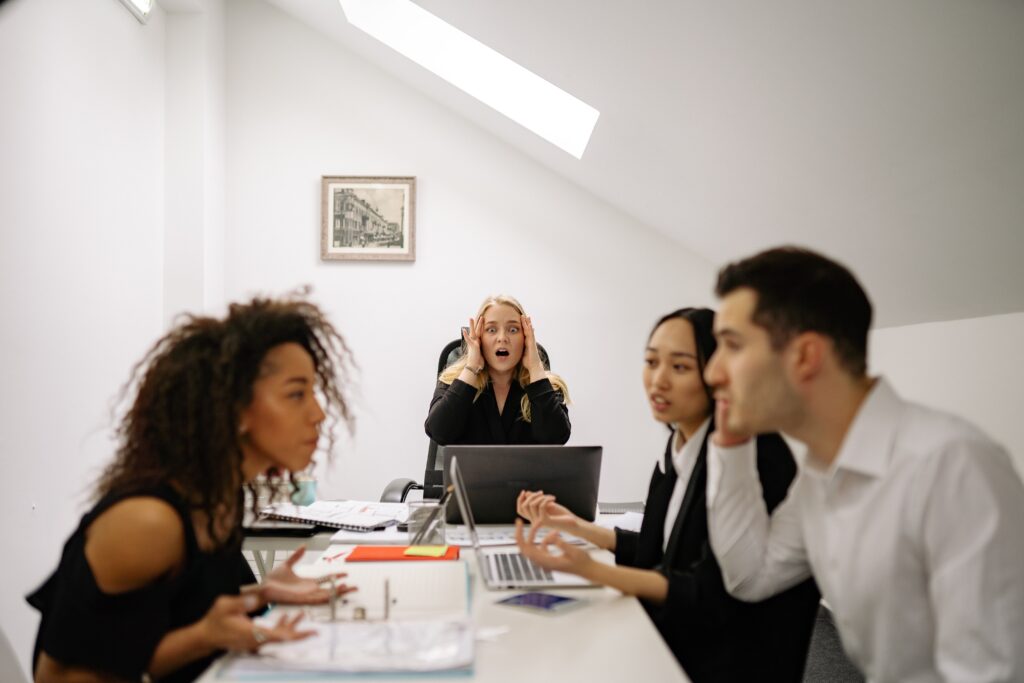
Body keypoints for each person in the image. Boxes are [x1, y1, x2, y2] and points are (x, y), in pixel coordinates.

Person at [702, 246, 1024, 681]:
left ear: (804, 356)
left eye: (731, 346)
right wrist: (732, 445)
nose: (713, 373)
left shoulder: (950, 466)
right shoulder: (819, 474)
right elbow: (751, 577)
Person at [27, 294, 358, 683]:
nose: (318, 413)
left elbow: (159, 632)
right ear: (235, 411)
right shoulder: (149, 522)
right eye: (296, 394)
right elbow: (64, 677)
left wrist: (260, 594)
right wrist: (204, 637)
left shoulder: (220, 498)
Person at [514, 308, 819, 682]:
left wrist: (589, 569)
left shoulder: (748, 456)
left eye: (680, 367)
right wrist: (580, 527)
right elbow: (667, 551)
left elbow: (707, 590)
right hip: (677, 638)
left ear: (718, 372)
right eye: (651, 362)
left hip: (719, 661)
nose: (657, 381)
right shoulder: (680, 444)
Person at [425, 294, 570, 445]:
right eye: (491, 330)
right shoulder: (453, 381)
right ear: (479, 336)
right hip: (471, 470)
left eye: (513, 329)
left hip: (527, 470)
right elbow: (438, 433)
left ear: (526, 338)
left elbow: (556, 439)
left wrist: (535, 368)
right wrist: (471, 368)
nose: (502, 338)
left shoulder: (548, 386)